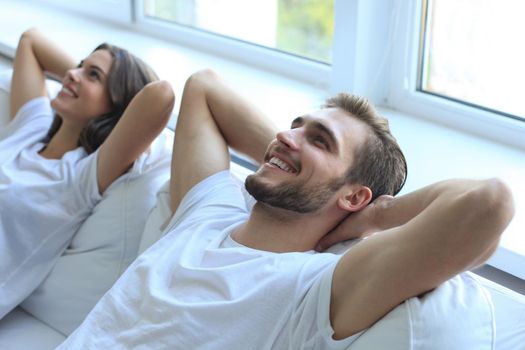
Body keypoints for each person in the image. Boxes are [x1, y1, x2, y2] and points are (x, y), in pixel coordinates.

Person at [57, 69, 514, 349]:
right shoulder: (209, 211)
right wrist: (291, 159)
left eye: (320, 140)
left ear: (355, 197)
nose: (286, 134)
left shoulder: (315, 287)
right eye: (295, 126)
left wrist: (374, 215)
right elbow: (203, 88)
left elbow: (488, 203)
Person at [0, 28, 175, 319]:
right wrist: (84, 81)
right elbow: (31, 40)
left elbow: (161, 95)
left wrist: (103, 89)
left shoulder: (81, 177)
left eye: (93, 75)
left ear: (119, 105)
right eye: (79, 66)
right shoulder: (33, 127)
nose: (71, 73)